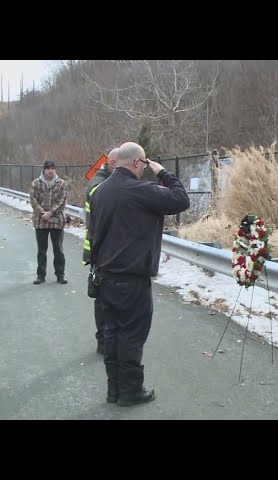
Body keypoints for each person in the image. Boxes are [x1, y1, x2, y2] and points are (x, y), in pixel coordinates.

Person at [88, 141, 190, 406]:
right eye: (143, 164)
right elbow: (181, 200)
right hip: (132, 278)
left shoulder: (99, 192)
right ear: (136, 163)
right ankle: (131, 390)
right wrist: (163, 172)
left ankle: (114, 389)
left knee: (111, 334)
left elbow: (94, 233)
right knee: (132, 335)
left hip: (106, 276)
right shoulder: (141, 190)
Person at [83, 147, 119, 354]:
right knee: (102, 300)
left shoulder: (104, 178)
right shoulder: (98, 182)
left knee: (107, 298)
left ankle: (108, 339)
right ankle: (103, 342)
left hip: (102, 246)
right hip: (99, 248)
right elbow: (97, 195)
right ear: (113, 163)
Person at [29, 160, 68, 285]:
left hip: (57, 221)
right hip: (40, 222)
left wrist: (50, 213)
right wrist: (42, 213)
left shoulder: (61, 184)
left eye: (53, 168)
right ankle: (41, 275)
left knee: (58, 249)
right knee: (42, 250)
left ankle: (60, 275)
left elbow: (62, 200)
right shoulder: (36, 183)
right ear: (44, 170)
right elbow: (33, 199)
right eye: (48, 168)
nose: (51, 171)